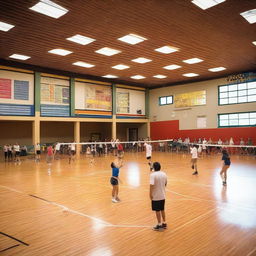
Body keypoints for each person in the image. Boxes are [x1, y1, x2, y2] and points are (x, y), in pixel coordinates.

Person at [150, 162, 167, 231]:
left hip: (156, 196)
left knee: (157, 210)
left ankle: (159, 225)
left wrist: (150, 194)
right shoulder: (164, 174)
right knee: (162, 209)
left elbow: (151, 185)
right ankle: (164, 223)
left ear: (154, 167)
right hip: (162, 195)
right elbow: (165, 183)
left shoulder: (153, 175)